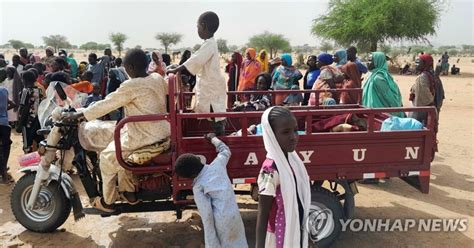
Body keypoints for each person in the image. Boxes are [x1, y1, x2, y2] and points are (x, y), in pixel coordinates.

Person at [63, 49, 170, 212]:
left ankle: (108, 202)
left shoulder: (131, 85)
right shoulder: (156, 78)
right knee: (119, 141)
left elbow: (108, 103)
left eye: (126, 67)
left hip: (145, 136)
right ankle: (128, 192)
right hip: (161, 131)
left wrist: (81, 114)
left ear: (131, 67)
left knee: (106, 158)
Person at [174, 133, 248, 247]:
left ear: (190, 176)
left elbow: (207, 218)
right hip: (235, 216)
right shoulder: (217, 165)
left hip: (221, 223)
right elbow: (225, 151)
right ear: (199, 160)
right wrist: (213, 138)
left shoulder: (198, 187)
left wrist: (211, 245)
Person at [256, 106, 311, 248]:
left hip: (297, 233)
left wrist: (307, 235)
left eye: (295, 130)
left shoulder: (293, 162)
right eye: (286, 132)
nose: (293, 136)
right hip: (279, 238)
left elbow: (300, 203)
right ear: (271, 135)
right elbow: (263, 215)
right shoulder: (270, 170)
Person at [167, 11, 227, 136]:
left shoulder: (209, 44)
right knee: (213, 113)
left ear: (203, 26)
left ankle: (221, 136)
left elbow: (196, 59)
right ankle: (219, 134)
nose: (197, 30)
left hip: (211, 87)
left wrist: (176, 69)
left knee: (214, 113)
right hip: (211, 85)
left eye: (198, 27)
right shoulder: (209, 44)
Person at [362, 52, 404, 117]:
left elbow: (389, 98)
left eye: (370, 60)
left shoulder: (378, 78)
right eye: (367, 60)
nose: (367, 62)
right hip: (373, 113)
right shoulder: (371, 75)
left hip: (379, 114)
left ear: (378, 62)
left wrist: (397, 111)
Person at [409, 54, 444, 124]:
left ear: (425, 64)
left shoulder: (422, 77)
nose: (416, 64)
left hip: (422, 115)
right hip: (433, 113)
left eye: (418, 62)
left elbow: (421, 100)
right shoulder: (435, 76)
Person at [17, 70, 43, 153]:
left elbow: (24, 108)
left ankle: (28, 162)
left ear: (25, 80)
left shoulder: (26, 91)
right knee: (38, 142)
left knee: (27, 144)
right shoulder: (39, 90)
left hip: (27, 122)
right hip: (38, 120)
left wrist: (20, 124)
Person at [0, 83, 16, 183]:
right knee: (5, 148)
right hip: (4, 123)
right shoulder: (4, 90)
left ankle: (4, 175)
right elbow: (13, 104)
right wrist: (4, 110)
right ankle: (4, 169)